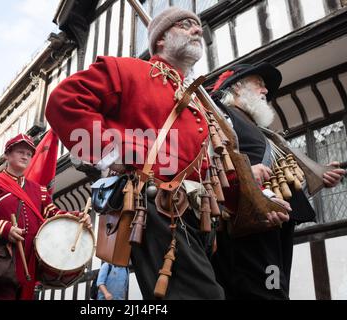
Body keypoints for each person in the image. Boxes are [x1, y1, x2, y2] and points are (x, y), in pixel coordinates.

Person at [46, 7, 286, 299]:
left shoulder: (201, 105)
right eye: (185, 25)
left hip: (204, 221)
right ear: (160, 39)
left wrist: (259, 199)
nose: (197, 30)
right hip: (156, 209)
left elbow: (217, 169)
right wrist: (113, 153)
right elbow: (63, 102)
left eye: (197, 26)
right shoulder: (128, 70)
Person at [210, 63, 346, 299]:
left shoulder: (259, 130)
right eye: (259, 84)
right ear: (237, 87)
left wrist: (318, 177)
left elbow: (278, 176)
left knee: (275, 285)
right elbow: (212, 160)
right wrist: (245, 175)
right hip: (248, 220)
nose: (265, 91)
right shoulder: (220, 114)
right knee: (262, 291)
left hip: (275, 221)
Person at [0, 133, 91, 300]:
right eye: (20, 151)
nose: (25, 156)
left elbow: (52, 215)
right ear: (7, 155)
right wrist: (4, 229)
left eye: (29, 154)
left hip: (26, 262)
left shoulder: (39, 191)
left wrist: (76, 217)